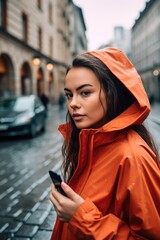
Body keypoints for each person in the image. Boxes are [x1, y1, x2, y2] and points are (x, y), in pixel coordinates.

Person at [49, 47, 160, 239]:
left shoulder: (133, 156)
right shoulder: (90, 142)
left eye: (85, 93)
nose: (73, 103)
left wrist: (81, 218)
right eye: (69, 94)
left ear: (112, 93)